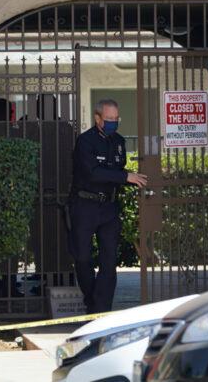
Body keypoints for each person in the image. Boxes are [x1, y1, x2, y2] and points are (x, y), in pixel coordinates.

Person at [69, 99, 148, 313]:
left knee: (109, 259)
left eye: (116, 119)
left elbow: (116, 172)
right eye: (109, 119)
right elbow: (92, 173)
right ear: (97, 118)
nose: (113, 123)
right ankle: (91, 299)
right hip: (85, 205)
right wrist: (125, 177)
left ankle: (101, 309)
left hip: (109, 207)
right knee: (83, 257)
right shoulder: (85, 141)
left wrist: (125, 178)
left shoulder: (119, 141)